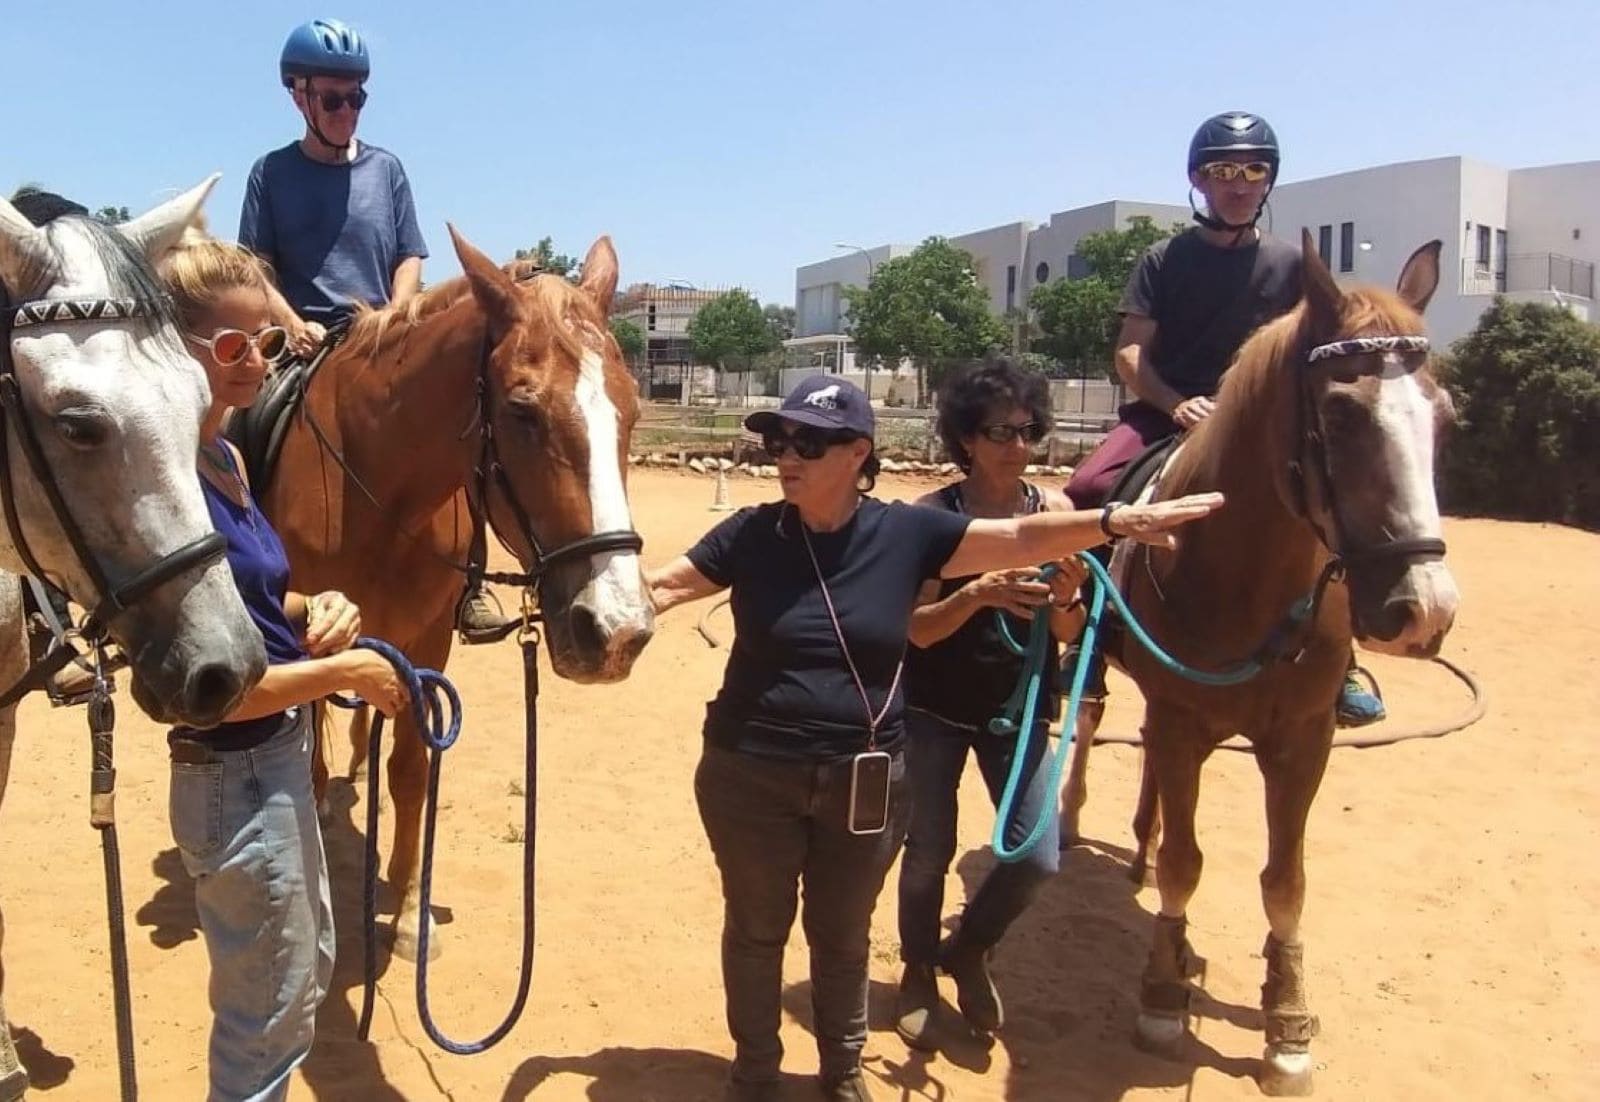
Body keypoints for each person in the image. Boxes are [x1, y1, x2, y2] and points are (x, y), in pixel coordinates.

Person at [645, 375, 1221, 1102]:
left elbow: (1018, 537)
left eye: (808, 443)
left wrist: (1114, 523)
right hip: (751, 770)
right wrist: (583, 585)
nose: (786, 456)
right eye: (778, 442)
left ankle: (842, 1072)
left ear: (857, 453)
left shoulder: (905, 533)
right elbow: (661, 588)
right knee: (757, 930)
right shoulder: (750, 534)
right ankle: (755, 1073)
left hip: (862, 777)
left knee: (843, 934)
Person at [160, 236, 410, 1102]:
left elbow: (259, 603)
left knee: (302, 978)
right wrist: (347, 676)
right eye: (233, 346)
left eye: (264, 342)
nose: (257, 362)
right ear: (174, 347)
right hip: (233, 770)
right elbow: (213, 691)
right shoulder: (171, 486)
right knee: (265, 1022)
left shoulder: (227, 460)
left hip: (279, 758)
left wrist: (318, 606)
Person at [1064, 109, 1384, 727]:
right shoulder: (1163, 259)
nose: (1239, 184)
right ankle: (1090, 643)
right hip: (1170, 415)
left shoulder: (1295, 267)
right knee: (1087, 488)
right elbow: (1130, 354)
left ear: (1269, 180)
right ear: (1198, 180)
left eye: (1254, 170)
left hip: (1263, 427)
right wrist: (1175, 402)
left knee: (1333, 506)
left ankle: (1340, 661)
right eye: (1224, 171)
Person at [238, 18, 509, 643]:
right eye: (333, 99)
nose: (347, 111)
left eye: (356, 97)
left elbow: (409, 254)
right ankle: (236, 565)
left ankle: (470, 581)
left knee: (465, 423)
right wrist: (290, 321)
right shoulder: (270, 174)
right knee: (239, 420)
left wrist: (397, 316)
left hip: (384, 337)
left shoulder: (387, 170)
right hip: (305, 340)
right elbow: (255, 268)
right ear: (299, 96)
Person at [894, 360, 1089, 1049]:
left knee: (1037, 856)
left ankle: (968, 947)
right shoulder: (931, 519)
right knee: (928, 852)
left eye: (1027, 430)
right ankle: (918, 969)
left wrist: (1065, 597)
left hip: (1019, 709)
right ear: (966, 438)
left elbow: (1069, 631)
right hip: (933, 710)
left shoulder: (1056, 513)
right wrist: (977, 594)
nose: (1017, 444)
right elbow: (915, 631)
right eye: (1000, 432)